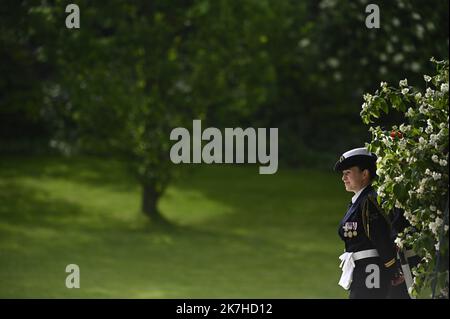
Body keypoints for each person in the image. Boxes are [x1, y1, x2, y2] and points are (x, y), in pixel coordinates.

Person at [334, 147, 405, 299]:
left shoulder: (369, 201)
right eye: (343, 174)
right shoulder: (360, 201)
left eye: (348, 173)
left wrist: (392, 268)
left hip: (371, 271)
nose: (343, 178)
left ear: (364, 174)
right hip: (363, 270)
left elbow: (380, 237)